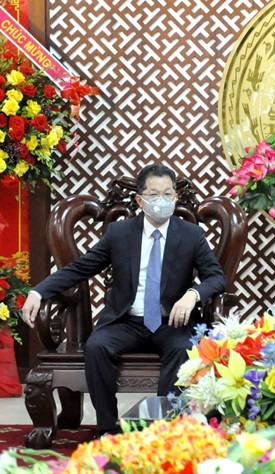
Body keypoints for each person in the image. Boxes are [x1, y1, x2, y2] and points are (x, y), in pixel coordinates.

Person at [21, 164, 227, 436]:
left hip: (172, 322)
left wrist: (193, 294)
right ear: (140, 200)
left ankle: (162, 430)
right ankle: (107, 429)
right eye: (154, 195)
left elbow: (216, 278)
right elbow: (80, 268)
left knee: (182, 350)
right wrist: (38, 291)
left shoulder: (191, 235)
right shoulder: (119, 234)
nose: (162, 201)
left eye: (168, 194)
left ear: (176, 197)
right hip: (125, 320)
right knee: (97, 347)